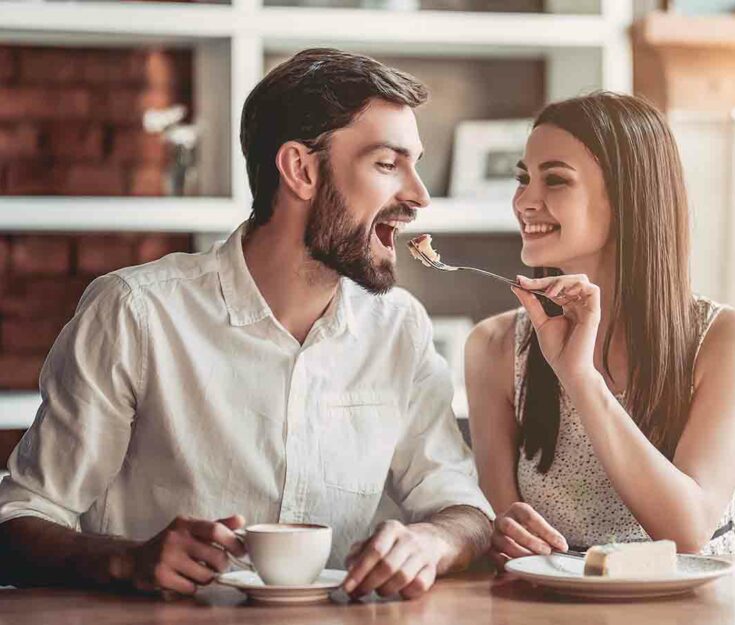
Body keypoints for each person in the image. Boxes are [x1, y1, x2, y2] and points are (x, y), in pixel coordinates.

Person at [0, 48, 493, 599]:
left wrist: (433, 541)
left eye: (415, 163)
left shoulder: (400, 328)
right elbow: (19, 522)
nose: (418, 194)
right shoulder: (135, 312)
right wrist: (127, 562)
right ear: (301, 171)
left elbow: (463, 507)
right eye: (386, 164)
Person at [464, 93, 735, 567]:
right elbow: (509, 533)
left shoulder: (729, 339)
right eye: (523, 179)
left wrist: (580, 376)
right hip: (550, 601)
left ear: (629, 197)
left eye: (556, 179)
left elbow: (688, 530)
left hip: (696, 601)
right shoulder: (494, 346)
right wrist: (500, 532)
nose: (524, 201)